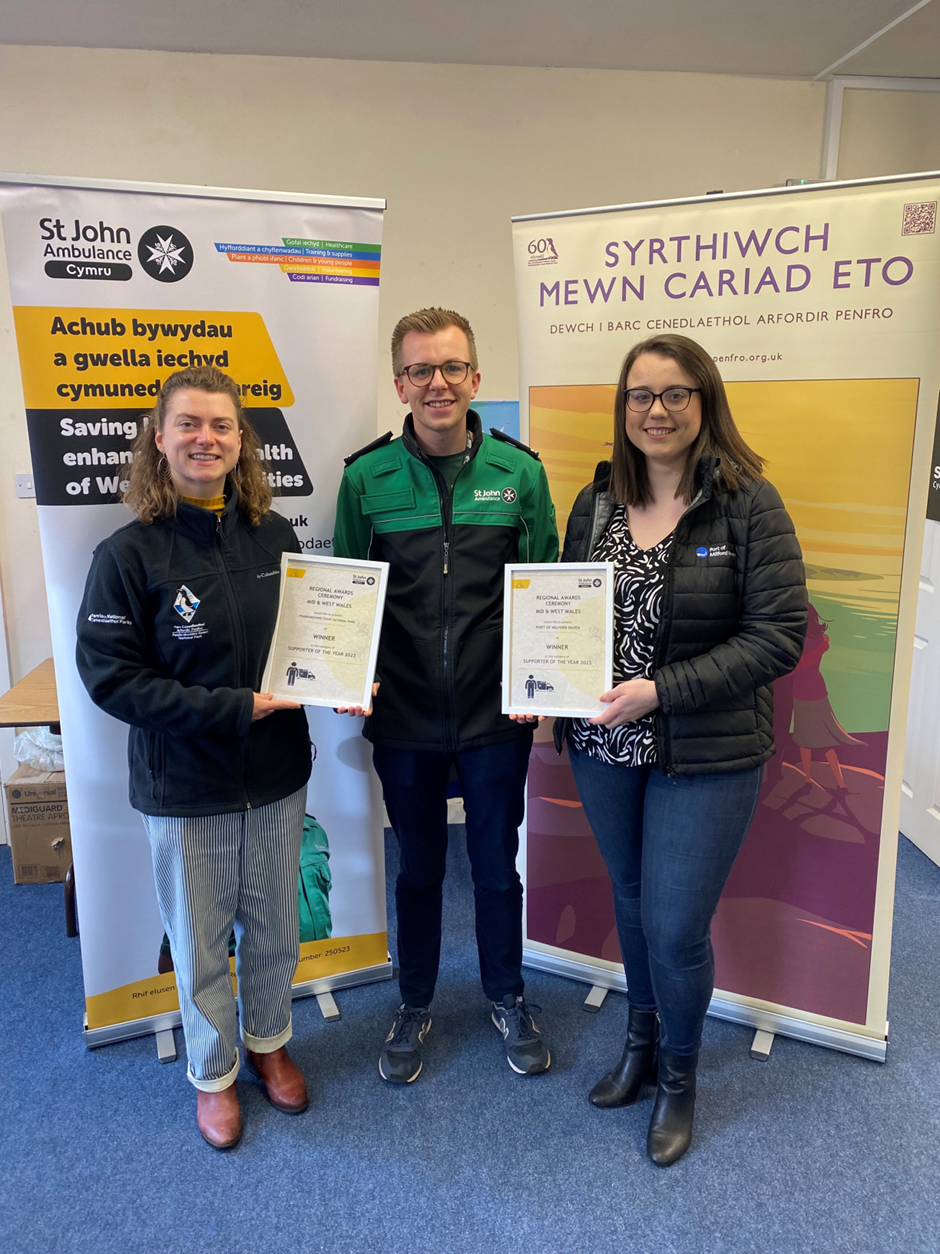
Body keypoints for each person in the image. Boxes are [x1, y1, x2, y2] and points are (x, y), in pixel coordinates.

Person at [558, 334, 806, 1165]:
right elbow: (565, 618)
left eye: (673, 395)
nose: (654, 412)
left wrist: (662, 690)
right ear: (621, 407)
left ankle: (678, 1075)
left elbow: (779, 637)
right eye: (639, 396)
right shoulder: (593, 504)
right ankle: (637, 1042)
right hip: (604, 748)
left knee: (674, 926)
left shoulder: (748, 505)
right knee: (629, 903)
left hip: (706, 751)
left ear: (705, 403)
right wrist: (545, 690)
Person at [76, 366, 313, 1150]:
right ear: (160, 437)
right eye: (188, 424)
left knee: (276, 929)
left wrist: (340, 677)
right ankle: (213, 1074)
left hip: (277, 775)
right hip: (185, 786)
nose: (205, 438)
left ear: (241, 441)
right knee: (202, 939)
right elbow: (113, 679)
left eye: (221, 425)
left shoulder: (275, 536)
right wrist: (229, 711)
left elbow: (307, 644)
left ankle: (270, 1042)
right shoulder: (128, 554)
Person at [333, 307, 558, 1083]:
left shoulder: (520, 473)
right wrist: (344, 674)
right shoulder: (365, 478)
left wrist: (543, 683)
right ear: (400, 382)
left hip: (499, 715)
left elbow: (546, 591)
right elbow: (349, 595)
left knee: (497, 864)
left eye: (452, 368)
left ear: (476, 378)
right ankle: (415, 1002)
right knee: (420, 864)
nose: (438, 383)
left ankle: (508, 994)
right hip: (405, 717)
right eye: (421, 369)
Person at [792, 603, 861, 790]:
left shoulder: (800, 641)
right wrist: (822, 647)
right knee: (815, 739)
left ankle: (817, 781)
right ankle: (834, 782)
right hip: (812, 690)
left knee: (812, 739)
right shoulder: (821, 639)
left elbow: (802, 664)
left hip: (807, 692)